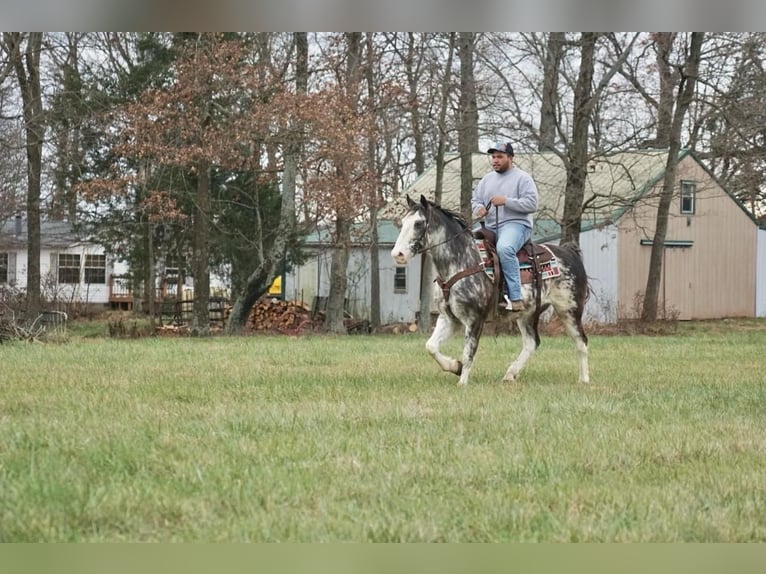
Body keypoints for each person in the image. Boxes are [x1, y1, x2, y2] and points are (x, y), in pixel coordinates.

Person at [471, 141, 539, 312]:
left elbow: (532, 204)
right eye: (493, 157)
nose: (495, 160)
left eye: (500, 157)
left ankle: (516, 298)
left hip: (517, 225)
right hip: (491, 227)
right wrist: (478, 209)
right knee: (467, 243)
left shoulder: (523, 178)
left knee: (505, 248)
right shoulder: (487, 179)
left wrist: (506, 201)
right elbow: (476, 200)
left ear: (510, 158)